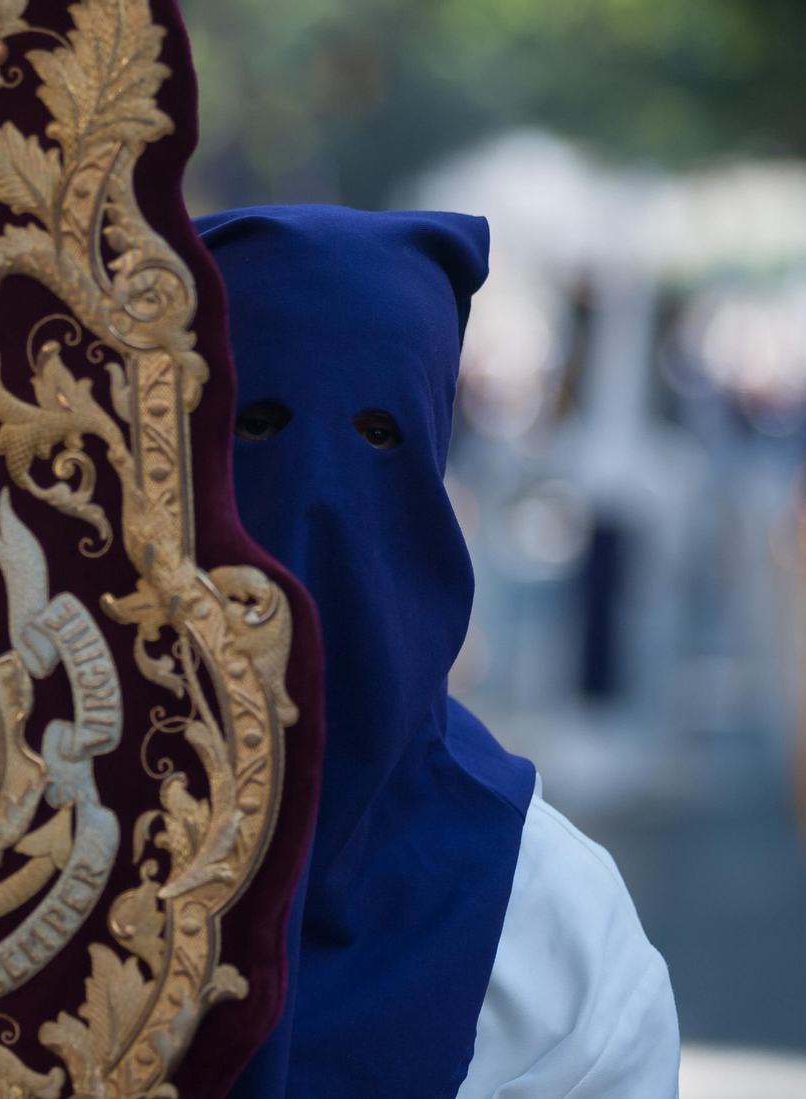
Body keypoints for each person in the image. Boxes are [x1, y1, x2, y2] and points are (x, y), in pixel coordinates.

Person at [196, 204, 681, 1097]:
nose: (316, 509)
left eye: (376, 437)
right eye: (256, 426)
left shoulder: (552, 921)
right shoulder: (20, 857)